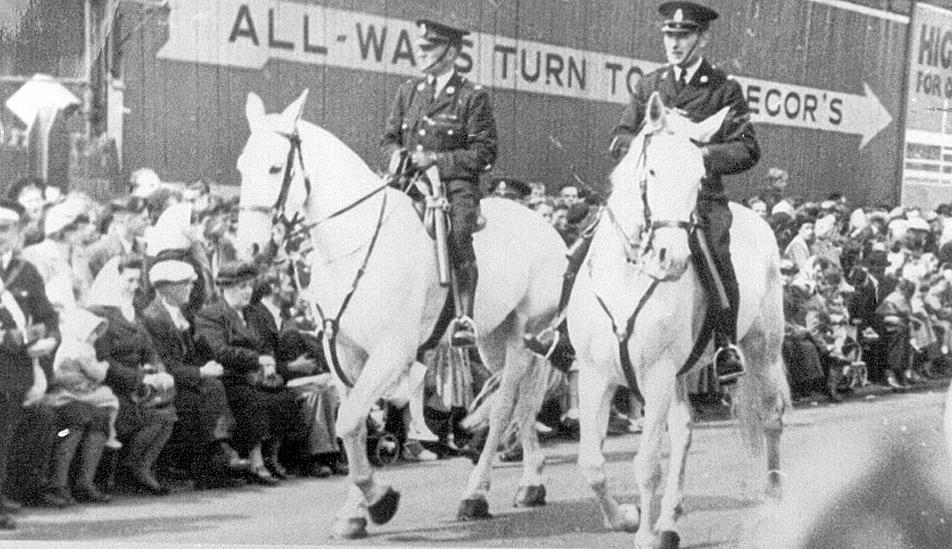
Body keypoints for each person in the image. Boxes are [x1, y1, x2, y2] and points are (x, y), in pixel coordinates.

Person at [528, 2, 761, 385]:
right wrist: (633, 145)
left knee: (716, 254)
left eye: (684, 36)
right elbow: (620, 133)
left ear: (702, 38)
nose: (675, 44)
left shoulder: (724, 89)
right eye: (670, 35)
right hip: (647, 196)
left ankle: (724, 344)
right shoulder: (649, 84)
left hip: (696, 196)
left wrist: (700, 154)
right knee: (583, 245)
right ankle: (565, 332)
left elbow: (747, 148)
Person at [381, 18, 498, 348]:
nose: (421, 52)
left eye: (429, 47)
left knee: (459, 231)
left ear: (452, 51)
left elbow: (484, 153)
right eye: (420, 46)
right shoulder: (408, 92)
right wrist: (399, 156)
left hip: (453, 186)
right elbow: (388, 139)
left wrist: (434, 160)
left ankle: (464, 316)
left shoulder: (472, 97)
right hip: (408, 183)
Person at [139, 259, 248, 488]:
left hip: (188, 380)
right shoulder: (153, 318)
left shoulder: (183, 314)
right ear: (167, 288)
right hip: (169, 382)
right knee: (205, 393)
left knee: (217, 387)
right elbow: (166, 364)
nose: (191, 288)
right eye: (185, 284)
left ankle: (218, 456)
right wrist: (200, 372)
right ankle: (217, 454)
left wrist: (208, 365)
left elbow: (198, 350)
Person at [194, 261, 300, 485]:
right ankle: (255, 459)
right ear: (225, 288)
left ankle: (272, 454)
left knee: (285, 399)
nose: (247, 292)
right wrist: (256, 359)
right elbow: (220, 351)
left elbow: (266, 343)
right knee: (254, 401)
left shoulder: (254, 314)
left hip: (257, 376)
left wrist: (269, 361)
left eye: (249, 286)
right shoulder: (210, 315)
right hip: (230, 377)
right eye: (241, 287)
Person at [89, 255, 178, 495]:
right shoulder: (102, 314)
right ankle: (131, 468)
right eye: (128, 280)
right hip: (114, 387)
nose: (134, 286)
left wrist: (160, 372)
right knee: (151, 416)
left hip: (137, 384)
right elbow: (105, 361)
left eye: (137, 281)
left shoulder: (134, 312)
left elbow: (150, 350)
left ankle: (141, 467)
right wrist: (141, 378)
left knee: (167, 415)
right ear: (114, 279)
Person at [0, 199, 59, 528]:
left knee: (4, 437)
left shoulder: (27, 272)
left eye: (6, 229)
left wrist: (50, 339)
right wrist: (19, 338)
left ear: (18, 232)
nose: (0, 236)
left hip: (14, 373)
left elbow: (49, 318)